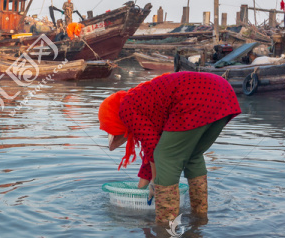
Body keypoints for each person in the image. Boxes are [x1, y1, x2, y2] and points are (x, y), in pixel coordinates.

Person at [98, 72, 241, 224]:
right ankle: (199, 217)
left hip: (196, 95)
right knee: (193, 155)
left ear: (113, 118)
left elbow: (154, 150)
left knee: (165, 157)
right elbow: (150, 148)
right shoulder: (144, 102)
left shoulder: (126, 108)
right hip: (224, 92)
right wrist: (141, 191)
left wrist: (155, 181)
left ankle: (165, 226)